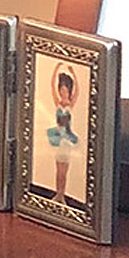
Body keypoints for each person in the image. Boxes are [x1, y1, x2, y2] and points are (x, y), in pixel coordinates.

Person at [37, 68, 81, 201]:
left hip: (66, 138)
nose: (63, 93)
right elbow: (52, 86)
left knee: (64, 170)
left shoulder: (70, 105)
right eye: (61, 90)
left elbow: (78, 91)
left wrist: (74, 73)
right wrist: (56, 69)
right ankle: (58, 193)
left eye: (65, 91)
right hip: (57, 137)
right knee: (58, 169)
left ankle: (62, 194)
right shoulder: (58, 104)